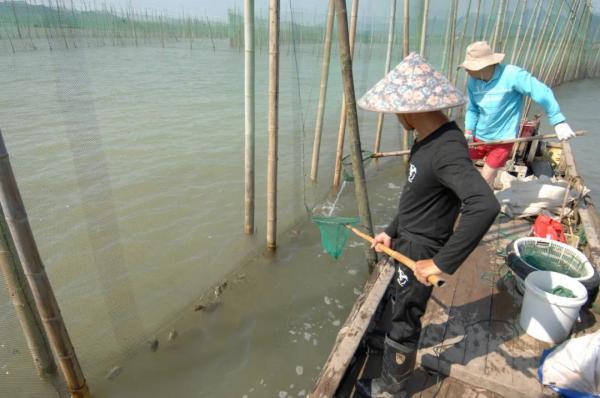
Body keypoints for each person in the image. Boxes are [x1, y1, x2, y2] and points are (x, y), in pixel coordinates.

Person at [355, 53, 500, 398]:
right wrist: (391, 230)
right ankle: (384, 342)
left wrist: (440, 262)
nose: (397, 118)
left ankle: (393, 386)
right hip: (406, 238)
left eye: (397, 112)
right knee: (397, 298)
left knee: (407, 313)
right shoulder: (426, 138)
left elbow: (484, 205)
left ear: (411, 109)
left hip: (422, 248)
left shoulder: (447, 148)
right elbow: (413, 194)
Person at [460, 41, 576, 187]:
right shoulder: (473, 82)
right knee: (458, 166)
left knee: (486, 178)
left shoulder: (512, 75)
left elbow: (541, 92)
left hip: (502, 140)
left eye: (470, 68)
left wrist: (558, 121)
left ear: (483, 66)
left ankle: (482, 205)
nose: (467, 71)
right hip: (477, 137)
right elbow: (472, 109)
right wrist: (468, 131)